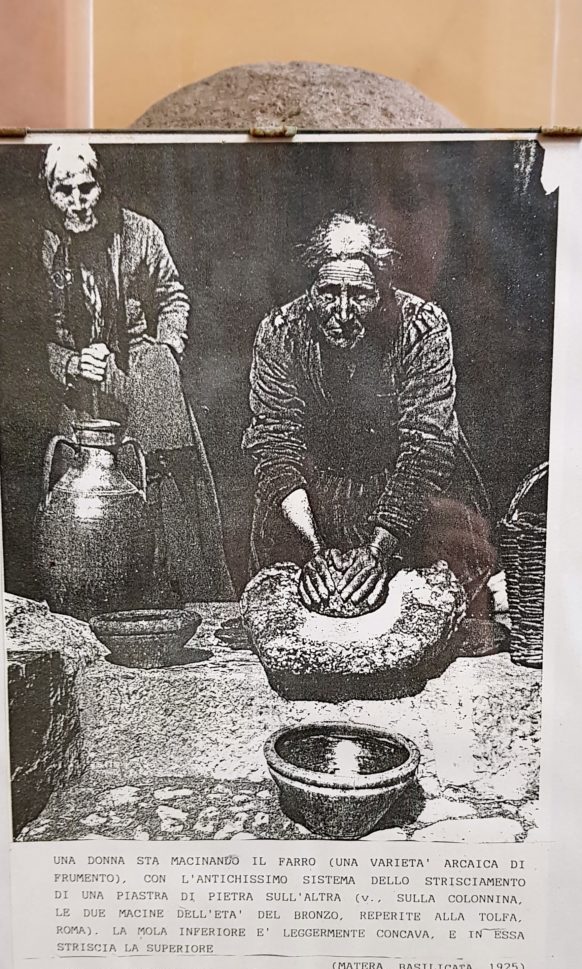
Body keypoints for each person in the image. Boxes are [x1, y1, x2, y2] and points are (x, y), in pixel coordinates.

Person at [243, 212, 495, 615]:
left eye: (360, 294)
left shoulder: (422, 328)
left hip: (410, 499)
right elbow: (276, 445)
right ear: (310, 289)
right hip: (314, 501)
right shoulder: (281, 332)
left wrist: (378, 550)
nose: (342, 312)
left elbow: (425, 450)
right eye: (328, 291)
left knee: (428, 614)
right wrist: (314, 549)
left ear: (384, 291)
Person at [40, 141, 233, 604]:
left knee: (167, 493)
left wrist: (164, 355)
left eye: (87, 187)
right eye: (64, 190)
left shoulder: (140, 233)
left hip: (142, 376)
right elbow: (30, 336)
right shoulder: (42, 248)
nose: (78, 201)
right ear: (49, 192)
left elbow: (172, 298)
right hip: (81, 389)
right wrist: (69, 362)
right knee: (87, 504)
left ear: (102, 186)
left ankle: (183, 607)